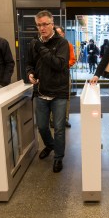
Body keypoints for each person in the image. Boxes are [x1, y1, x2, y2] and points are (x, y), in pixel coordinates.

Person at [26, 10, 70, 173]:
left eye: (45, 24)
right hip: (41, 92)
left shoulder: (61, 43)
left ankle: (58, 157)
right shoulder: (34, 43)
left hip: (58, 92)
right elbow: (29, 63)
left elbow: (59, 64)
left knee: (58, 128)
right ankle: (50, 146)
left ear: (52, 24)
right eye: (39, 25)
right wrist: (30, 74)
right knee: (42, 127)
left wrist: (41, 48)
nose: (42, 28)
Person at [49, 25, 76, 128]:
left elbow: (72, 60)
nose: (58, 36)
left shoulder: (68, 45)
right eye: (56, 34)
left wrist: (61, 66)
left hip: (64, 74)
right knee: (52, 97)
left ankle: (65, 119)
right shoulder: (50, 46)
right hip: (51, 75)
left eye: (59, 34)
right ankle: (52, 120)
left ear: (63, 34)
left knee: (66, 97)